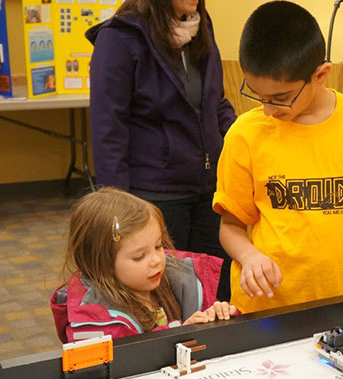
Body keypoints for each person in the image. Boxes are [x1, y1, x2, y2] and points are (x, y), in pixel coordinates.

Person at [213, 1, 343, 313]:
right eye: (258, 95)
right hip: (266, 308)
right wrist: (249, 256)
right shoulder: (245, 133)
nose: (268, 109)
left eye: (281, 98)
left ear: (321, 74)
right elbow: (230, 225)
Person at [88, 0, 237, 300]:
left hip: (209, 189)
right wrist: (118, 211)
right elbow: (108, 131)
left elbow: (214, 103)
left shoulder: (201, 27)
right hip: (156, 195)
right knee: (165, 298)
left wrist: (244, 135)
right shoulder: (119, 38)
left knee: (217, 291)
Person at [50, 188, 237, 343]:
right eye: (139, 256)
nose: (156, 259)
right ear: (101, 263)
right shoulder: (93, 321)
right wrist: (180, 335)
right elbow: (121, 368)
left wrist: (216, 316)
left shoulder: (177, 281)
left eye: (159, 246)